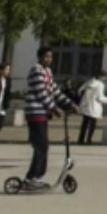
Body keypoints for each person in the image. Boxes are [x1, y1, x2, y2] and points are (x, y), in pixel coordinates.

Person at [22, 50, 76, 186]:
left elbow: (55, 91)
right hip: (35, 112)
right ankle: (32, 177)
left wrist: (70, 104)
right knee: (41, 145)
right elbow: (42, 94)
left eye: (51, 57)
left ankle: (36, 176)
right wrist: (54, 108)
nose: (49, 59)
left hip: (42, 113)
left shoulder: (47, 72)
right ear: (40, 57)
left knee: (43, 145)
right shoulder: (36, 70)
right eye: (46, 57)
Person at [76, 72, 107, 146]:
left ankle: (80, 139)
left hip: (86, 106)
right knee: (92, 125)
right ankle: (89, 139)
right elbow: (100, 98)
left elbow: (79, 91)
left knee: (84, 124)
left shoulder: (89, 82)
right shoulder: (100, 85)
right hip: (94, 107)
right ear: (102, 77)